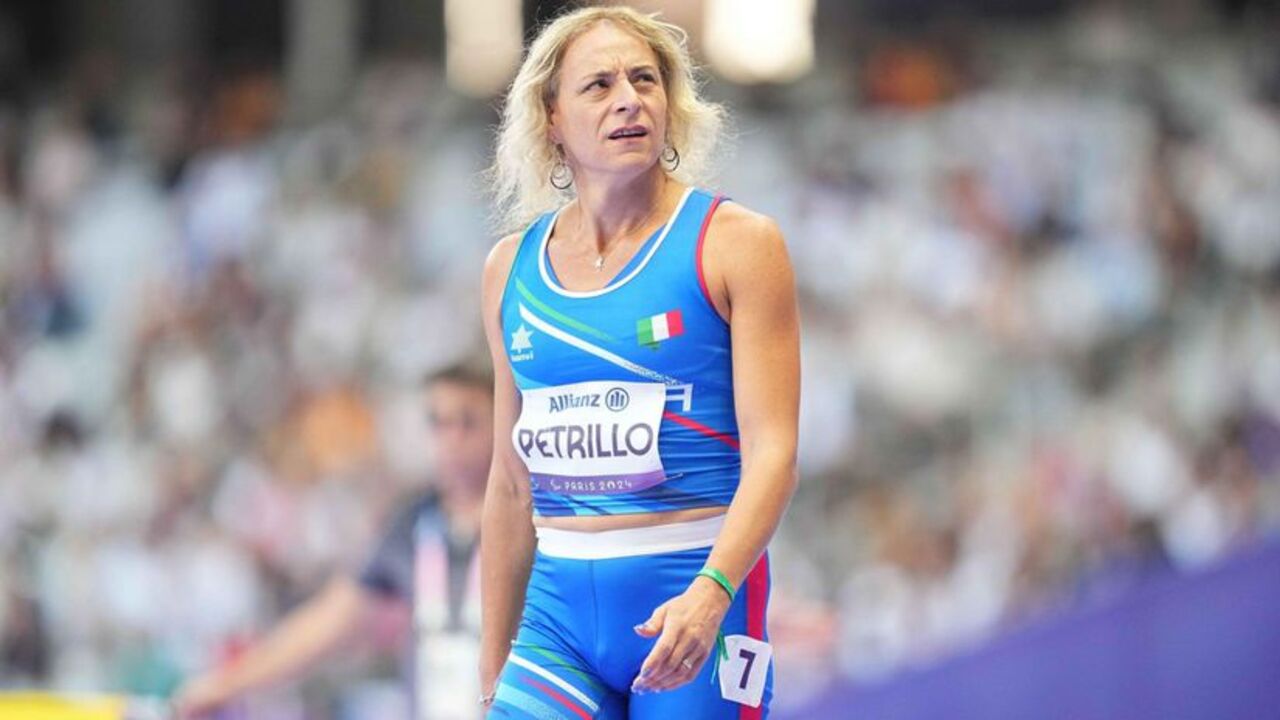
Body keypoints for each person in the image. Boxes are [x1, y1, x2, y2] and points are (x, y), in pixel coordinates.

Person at [479, 6, 800, 719]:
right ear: (551, 117)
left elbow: (775, 454)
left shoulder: (737, 243)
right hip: (557, 619)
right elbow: (508, 484)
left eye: (644, 80)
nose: (628, 99)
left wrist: (712, 593)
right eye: (599, 85)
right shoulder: (509, 269)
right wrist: (490, 666)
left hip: (696, 601)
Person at [174, 362, 494, 720]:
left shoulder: (527, 524)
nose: (452, 440)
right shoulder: (412, 525)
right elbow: (326, 622)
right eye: (438, 423)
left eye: (468, 422)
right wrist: (224, 684)